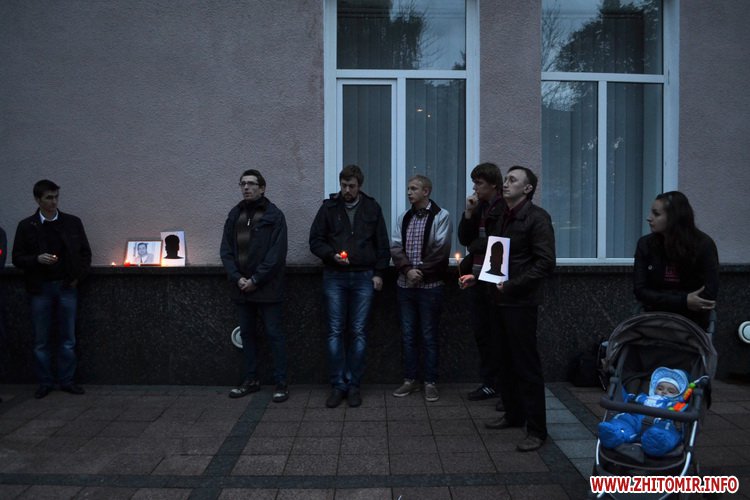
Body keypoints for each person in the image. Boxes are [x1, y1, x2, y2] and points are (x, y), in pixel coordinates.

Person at [472, 166, 556, 452]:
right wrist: (481, 279)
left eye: (512, 180)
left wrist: (511, 285)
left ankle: (537, 430)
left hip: (520, 302)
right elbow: (495, 253)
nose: (505, 184)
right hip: (498, 299)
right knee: (503, 360)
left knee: (526, 366)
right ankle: (513, 414)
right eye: (506, 179)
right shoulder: (500, 215)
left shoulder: (537, 218)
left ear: (527, 189)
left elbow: (545, 263)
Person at [309, 164, 390, 408]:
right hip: (335, 275)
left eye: (351, 186)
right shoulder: (329, 208)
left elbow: (382, 244)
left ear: (359, 186)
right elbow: (315, 240)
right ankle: (338, 385)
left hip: (364, 276)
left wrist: (379, 273)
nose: (347, 190)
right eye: (344, 185)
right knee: (335, 331)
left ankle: (354, 385)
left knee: (358, 331)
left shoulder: (372, 208)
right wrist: (331, 255)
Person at [12, 179, 92, 399]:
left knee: (68, 338)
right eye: (48, 198)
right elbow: (17, 257)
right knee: (41, 339)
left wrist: (77, 278)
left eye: (56, 197)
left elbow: (85, 253)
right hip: (40, 288)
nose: (53, 202)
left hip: (66, 286)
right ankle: (45, 382)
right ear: (38, 200)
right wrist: (36, 259)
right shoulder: (27, 226)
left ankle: (67, 380)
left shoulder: (71, 222)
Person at [220, 169, 289, 403]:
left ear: (262, 188)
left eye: (251, 184)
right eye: (243, 184)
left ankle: (281, 383)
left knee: (274, 334)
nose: (246, 188)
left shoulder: (274, 215)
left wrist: (256, 279)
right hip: (242, 288)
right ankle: (251, 380)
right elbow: (226, 250)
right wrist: (237, 277)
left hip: (267, 288)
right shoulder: (235, 214)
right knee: (247, 334)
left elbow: (276, 254)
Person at [390, 175, 453, 402]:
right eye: (408, 188)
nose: (409, 192)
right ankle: (410, 380)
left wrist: (420, 272)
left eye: (414, 188)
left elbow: (441, 250)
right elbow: (395, 247)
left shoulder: (441, 216)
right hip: (405, 286)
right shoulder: (404, 217)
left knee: (428, 335)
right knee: (408, 335)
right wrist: (408, 270)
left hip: (430, 286)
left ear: (426, 191)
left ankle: (430, 382)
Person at [634, 191, 719, 330]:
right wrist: (683, 301)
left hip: (692, 324)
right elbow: (640, 290)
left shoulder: (704, 245)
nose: (649, 218)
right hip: (653, 320)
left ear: (674, 217)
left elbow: (708, 295)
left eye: (656, 214)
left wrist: (660, 298)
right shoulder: (646, 244)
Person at [457, 162, 506, 405]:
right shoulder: (479, 207)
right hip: (477, 278)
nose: (475, 188)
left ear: (493, 185)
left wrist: (478, 245)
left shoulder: (503, 208)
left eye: (479, 183)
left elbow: (501, 242)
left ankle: (501, 387)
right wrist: (468, 213)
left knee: (497, 336)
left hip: (495, 280)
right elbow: (464, 238)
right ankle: (490, 383)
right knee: (483, 335)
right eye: (474, 183)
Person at [598, 367, 695, 456]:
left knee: (669, 429)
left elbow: (683, 413)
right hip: (636, 419)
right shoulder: (643, 397)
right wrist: (619, 388)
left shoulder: (676, 404)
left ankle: (657, 443)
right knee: (625, 419)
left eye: (671, 391)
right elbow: (628, 398)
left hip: (661, 423)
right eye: (660, 388)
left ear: (679, 394)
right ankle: (615, 433)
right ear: (654, 389)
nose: (664, 392)